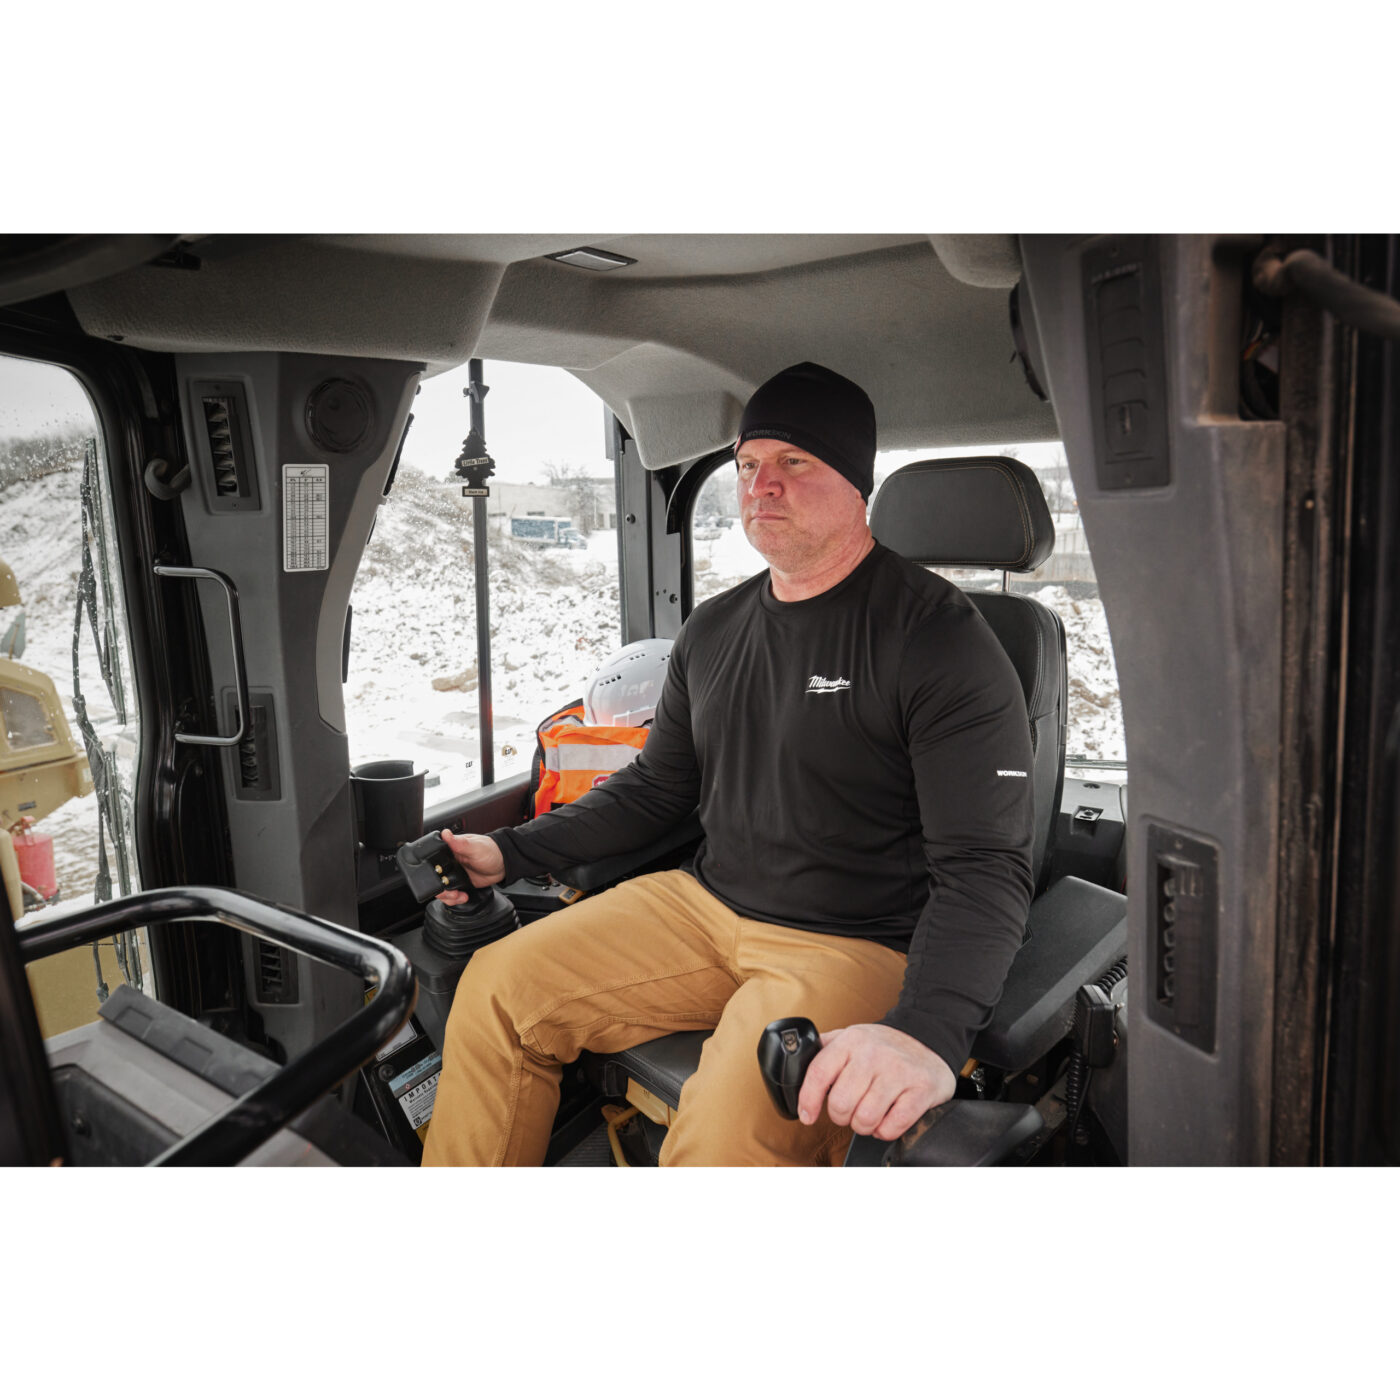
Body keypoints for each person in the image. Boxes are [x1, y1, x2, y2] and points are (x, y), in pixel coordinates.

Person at [421, 362, 1035, 1167]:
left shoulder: (937, 638)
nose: (761, 486)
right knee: (497, 987)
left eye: (794, 462)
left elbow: (986, 868)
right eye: (748, 465)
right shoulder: (713, 631)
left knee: (729, 1118)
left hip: (856, 941)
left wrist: (927, 1033)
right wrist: (511, 851)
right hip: (701, 909)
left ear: (856, 484)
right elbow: (656, 788)